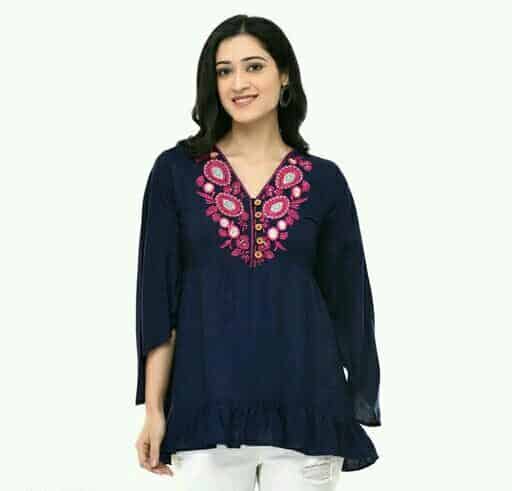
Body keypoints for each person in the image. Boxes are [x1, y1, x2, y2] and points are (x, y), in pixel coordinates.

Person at [134, 14, 382, 490]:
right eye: (224, 71)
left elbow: (351, 303)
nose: (238, 83)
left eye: (253, 66)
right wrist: (154, 411)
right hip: (205, 413)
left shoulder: (324, 181)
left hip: (308, 412)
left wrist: (357, 398)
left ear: (284, 74)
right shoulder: (176, 173)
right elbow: (158, 303)